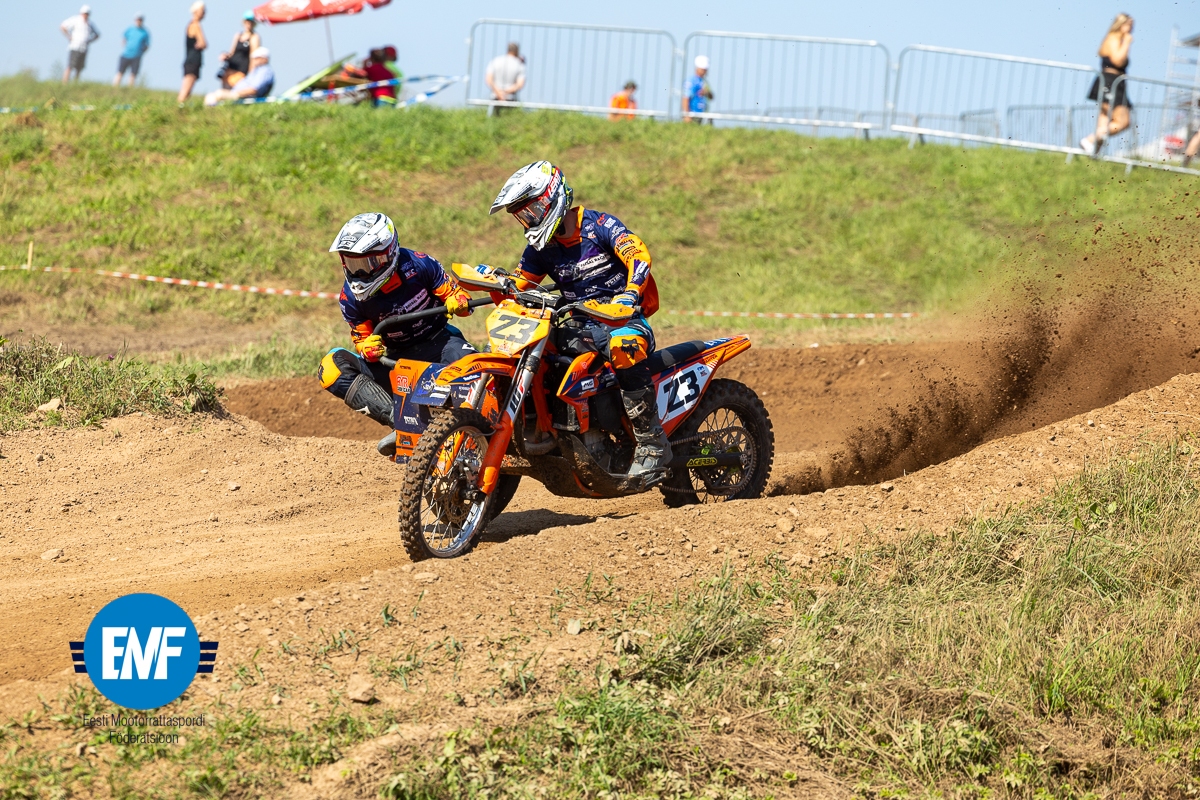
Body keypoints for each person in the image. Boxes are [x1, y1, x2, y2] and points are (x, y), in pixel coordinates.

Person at [489, 161, 671, 480]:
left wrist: (629, 293)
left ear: (552, 198)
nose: (529, 220)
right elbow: (519, 287)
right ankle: (541, 427)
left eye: (532, 211)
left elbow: (638, 255)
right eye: (522, 216)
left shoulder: (599, 225)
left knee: (624, 345)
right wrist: (496, 282)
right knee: (525, 345)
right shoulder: (541, 248)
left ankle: (652, 444)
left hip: (623, 320)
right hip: (578, 327)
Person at [318, 213, 476, 457]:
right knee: (331, 367)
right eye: (352, 264)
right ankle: (404, 425)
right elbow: (362, 339)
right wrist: (367, 348)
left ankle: (484, 430)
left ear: (388, 254)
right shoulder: (349, 298)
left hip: (442, 343)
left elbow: (459, 299)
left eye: (366, 264)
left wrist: (459, 300)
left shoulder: (420, 264)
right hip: (397, 362)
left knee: (479, 371)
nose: (359, 273)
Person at [1080, 14, 1134, 156]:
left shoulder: (1111, 38)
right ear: (1120, 24)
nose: (1131, 29)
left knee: (1104, 121)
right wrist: (1127, 43)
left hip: (1109, 81)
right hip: (1111, 82)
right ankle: (1089, 140)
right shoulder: (1115, 38)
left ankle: (1093, 155)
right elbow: (1118, 60)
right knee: (1123, 122)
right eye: (1128, 25)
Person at [203, 47, 274, 105]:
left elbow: (253, 90)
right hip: (239, 94)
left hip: (243, 96)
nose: (254, 60)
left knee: (218, 94)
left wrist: (236, 94)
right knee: (211, 95)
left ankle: (211, 113)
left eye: (257, 58)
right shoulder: (257, 71)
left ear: (265, 59)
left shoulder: (265, 71)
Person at [217, 11, 260, 88]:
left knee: (233, 88)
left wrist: (252, 73)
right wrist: (225, 56)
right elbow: (232, 52)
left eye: (251, 22)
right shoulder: (238, 35)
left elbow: (254, 56)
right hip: (231, 67)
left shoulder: (254, 37)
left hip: (242, 70)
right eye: (247, 22)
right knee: (225, 87)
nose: (248, 24)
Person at [61, 6, 100, 84]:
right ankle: (64, 83)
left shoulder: (90, 24)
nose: (86, 15)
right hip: (75, 46)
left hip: (84, 48)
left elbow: (97, 34)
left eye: (87, 14)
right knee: (70, 66)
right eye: (85, 13)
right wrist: (69, 36)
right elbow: (63, 26)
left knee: (79, 68)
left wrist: (90, 41)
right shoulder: (75, 20)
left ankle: (75, 83)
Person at [485, 43, 526, 116]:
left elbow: (489, 80)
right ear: (517, 51)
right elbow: (520, 84)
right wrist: (505, 92)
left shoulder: (495, 60)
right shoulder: (519, 64)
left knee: (492, 116)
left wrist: (498, 92)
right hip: (511, 98)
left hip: (495, 95)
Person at [178, 1, 207, 104]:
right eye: (202, 10)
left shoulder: (190, 24)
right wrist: (201, 43)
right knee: (185, 91)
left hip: (190, 60)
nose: (204, 13)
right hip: (193, 61)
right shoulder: (195, 25)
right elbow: (203, 43)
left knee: (187, 91)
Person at [113, 15, 149, 88]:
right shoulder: (130, 29)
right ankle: (115, 88)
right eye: (137, 19)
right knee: (120, 72)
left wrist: (141, 52)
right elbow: (124, 38)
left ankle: (130, 89)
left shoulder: (145, 32)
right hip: (126, 54)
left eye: (140, 20)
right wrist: (126, 46)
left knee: (133, 74)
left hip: (136, 56)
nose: (139, 21)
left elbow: (147, 45)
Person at [683, 55, 713, 123]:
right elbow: (686, 98)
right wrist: (687, 115)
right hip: (692, 115)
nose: (705, 71)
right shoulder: (691, 81)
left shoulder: (704, 82)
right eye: (703, 69)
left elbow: (711, 97)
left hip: (702, 115)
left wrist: (707, 93)